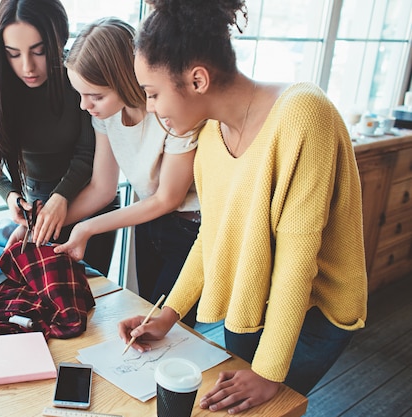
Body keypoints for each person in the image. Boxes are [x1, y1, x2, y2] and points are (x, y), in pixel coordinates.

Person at [118, 0, 368, 413]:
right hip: (254, 302)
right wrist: (168, 315)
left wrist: (270, 373)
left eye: (153, 93)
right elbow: (211, 237)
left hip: (313, 314)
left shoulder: (304, 113)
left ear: (197, 79)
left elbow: (297, 260)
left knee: (265, 408)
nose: (150, 107)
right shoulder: (212, 139)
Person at [48, 17, 200, 326]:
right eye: (80, 94)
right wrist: (47, 223)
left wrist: (87, 228)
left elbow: (167, 198)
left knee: (173, 330)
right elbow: (102, 188)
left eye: (96, 96)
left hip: (189, 232)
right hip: (147, 223)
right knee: (145, 316)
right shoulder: (105, 115)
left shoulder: (171, 112)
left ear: (126, 79)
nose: (84, 105)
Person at [0, 0, 118, 275]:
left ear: (60, 38)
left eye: (39, 51)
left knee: (90, 303)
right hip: (36, 209)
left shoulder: (79, 79)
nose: (28, 67)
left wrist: (61, 197)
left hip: (90, 203)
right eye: (13, 53)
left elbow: (88, 155)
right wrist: (10, 195)